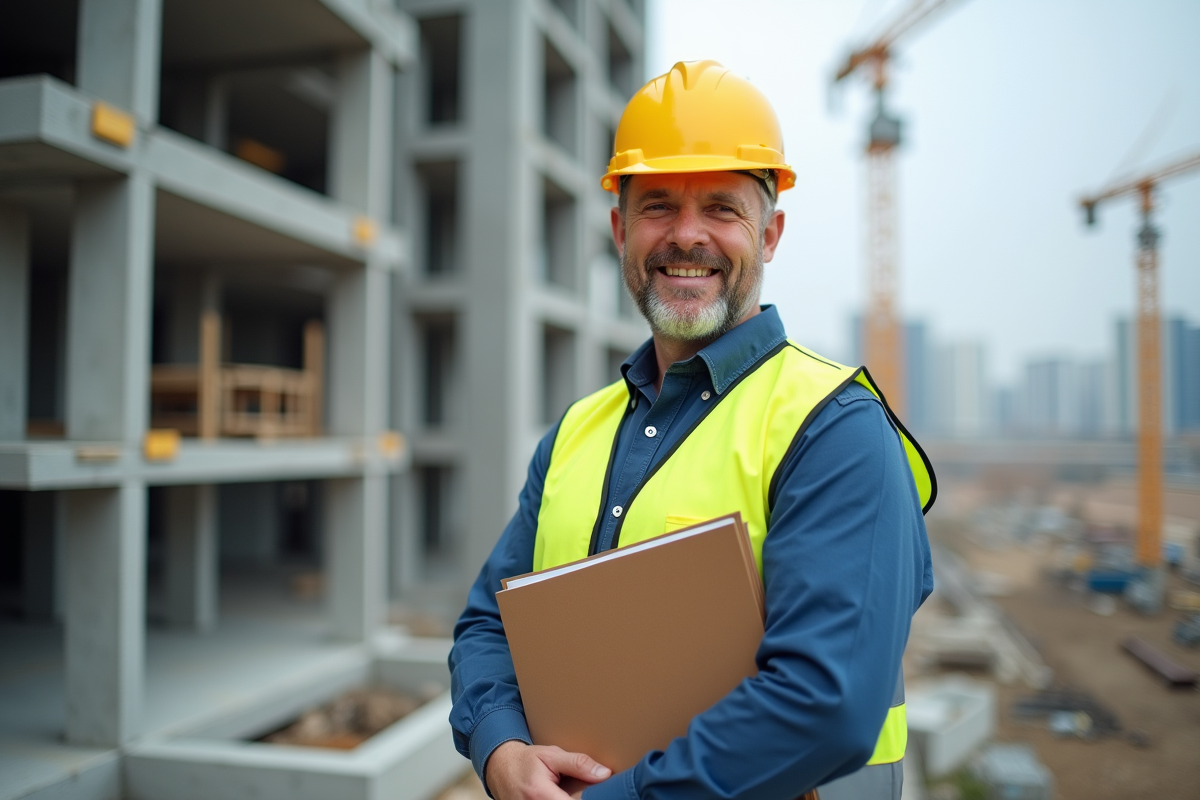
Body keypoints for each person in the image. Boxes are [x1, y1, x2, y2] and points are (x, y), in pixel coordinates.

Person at [448, 59, 935, 800]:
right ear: (619, 229)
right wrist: (501, 749)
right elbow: (488, 624)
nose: (686, 236)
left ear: (769, 234)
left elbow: (825, 704)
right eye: (656, 208)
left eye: (721, 208)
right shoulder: (577, 432)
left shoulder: (834, 431)